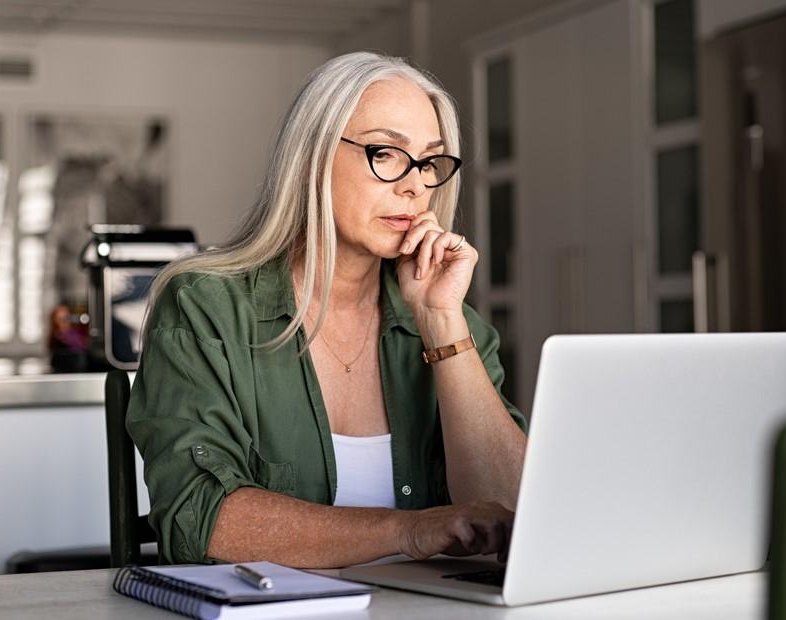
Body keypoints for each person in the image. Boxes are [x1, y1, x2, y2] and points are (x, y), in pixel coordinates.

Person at [126, 52, 527, 568]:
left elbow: (516, 515)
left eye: (429, 162)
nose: (416, 185)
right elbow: (199, 520)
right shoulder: (206, 306)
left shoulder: (453, 323)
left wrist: (441, 324)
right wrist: (409, 530)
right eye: (385, 152)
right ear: (312, 156)